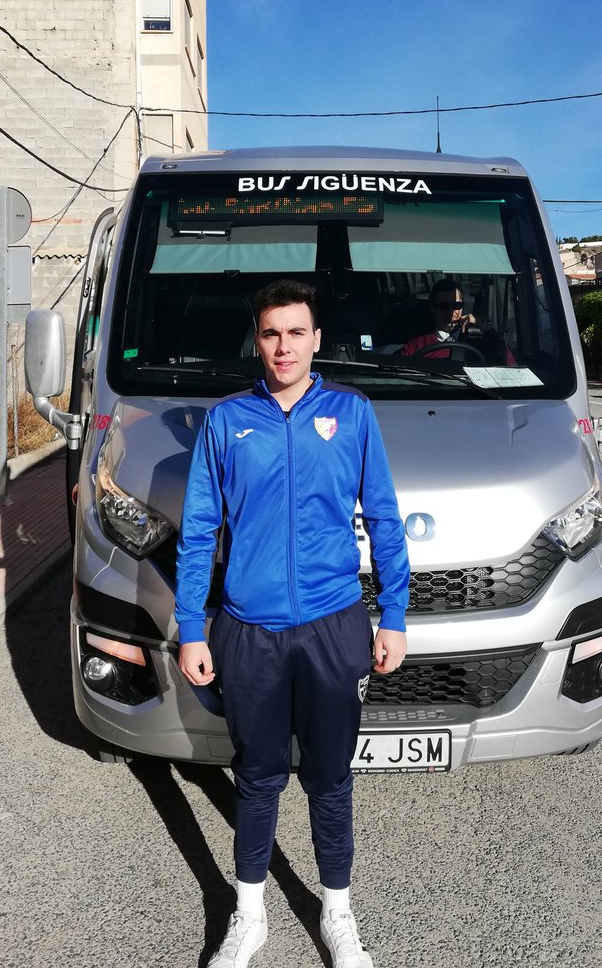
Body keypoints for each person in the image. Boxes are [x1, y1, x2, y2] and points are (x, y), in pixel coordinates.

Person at [176, 278, 410, 968]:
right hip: (248, 631)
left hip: (334, 625)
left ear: (316, 339)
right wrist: (193, 626)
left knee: (332, 779)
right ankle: (248, 916)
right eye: (272, 333)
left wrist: (392, 615)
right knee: (258, 776)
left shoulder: (352, 412)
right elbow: (198, 532)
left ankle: (337, 912)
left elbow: (385, 521)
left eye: (296, 332)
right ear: (258, 339)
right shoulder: (226, 421)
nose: (284, 346)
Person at [399, 278, 515, 366]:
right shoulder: (416, 346)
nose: (451, 312)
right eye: (443, 306)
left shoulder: (479, 339)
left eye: (456, 306)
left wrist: (481, 324)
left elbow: (508, 363)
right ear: (432, 308)